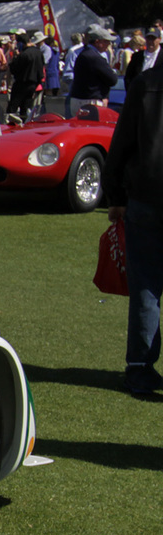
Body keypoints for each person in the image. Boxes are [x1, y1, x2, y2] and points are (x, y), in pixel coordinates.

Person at [101, 59, 163, 396]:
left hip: (146, 196)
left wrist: (116, 195)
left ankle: (139, 367)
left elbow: (122, 144)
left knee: (146, 287)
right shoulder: (144, 83)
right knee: (145, 287)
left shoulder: (144, 83)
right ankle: (139, 367)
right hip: (144, 198)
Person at [71, 26, 119, 112]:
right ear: (97, 42)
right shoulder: (95, 57)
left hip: (79, 99)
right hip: (90, 101)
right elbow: (112, 79)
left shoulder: (84, 54)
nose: (109, 44)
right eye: (106, 41)